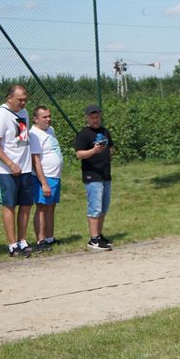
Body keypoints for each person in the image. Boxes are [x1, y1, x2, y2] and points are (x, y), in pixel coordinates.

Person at [0, 84, 34, 257]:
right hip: (5, 170)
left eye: (25, 100)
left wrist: (25, 163)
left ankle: (22, 240)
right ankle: (12, 245)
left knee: (26, 205)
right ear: (9, 98)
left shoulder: (24, 113)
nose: (23, 103)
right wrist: (11, 164)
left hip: (25, 168)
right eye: (20, 100)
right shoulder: (0, 115)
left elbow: (21, 140)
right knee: (9, 205)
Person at [73, 104, 115, 252]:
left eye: (97, 117)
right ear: (87, 118)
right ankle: (93, 239)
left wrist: (109, 153)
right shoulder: (84, 134)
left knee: (104, 207)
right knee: (95, 207)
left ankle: (99, 234)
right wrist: (94, 151)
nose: (95, 120)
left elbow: (111, 147)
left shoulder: (104, 131)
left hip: (105, 173)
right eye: (92, 117)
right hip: (92, 175)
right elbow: (79, 154)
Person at [28, 105, 63, 251]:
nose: (48, 119)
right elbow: (35, 160)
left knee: (51, 206)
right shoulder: (34, 134)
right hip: (44, 176)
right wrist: (44, 183)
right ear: (36, 119)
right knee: (42, 207)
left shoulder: (50, 130)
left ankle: (50, 238)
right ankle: (41, 240)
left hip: (55, 175)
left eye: (49, 116)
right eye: (44, 117)